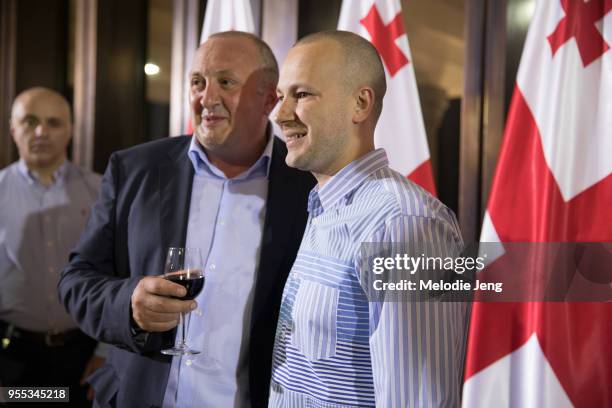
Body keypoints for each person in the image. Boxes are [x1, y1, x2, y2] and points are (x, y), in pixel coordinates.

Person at [58, 31, 314, 408]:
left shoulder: (307, 187)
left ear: (269, 97)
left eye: (225, 82)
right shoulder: (133, 169)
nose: (206, 98)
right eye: (197, 82)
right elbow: (76, 281)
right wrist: (129, 304)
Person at [270, 31, 469, 407]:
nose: (279, 115)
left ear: (360, 104)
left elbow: (418, 401)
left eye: (301, 94)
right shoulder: (324, 206)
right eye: (282, 96)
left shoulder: (404, 224)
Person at [0, 87, 102, 406]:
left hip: (84, 357)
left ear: (71, 130)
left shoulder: (101, 192)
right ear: (13, 127)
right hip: (14, 358)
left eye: (54, 122)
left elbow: (120, 273)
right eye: (30, 121)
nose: (42, 132)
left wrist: (108, 353)